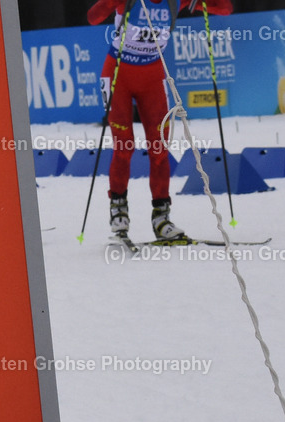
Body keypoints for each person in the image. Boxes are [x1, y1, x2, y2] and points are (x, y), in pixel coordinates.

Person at [87, 0, 232, 242]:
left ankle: (161, 218)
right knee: (124, 147)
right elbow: (93, 16)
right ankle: (118, 212)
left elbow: (225, 8)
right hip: (116, 74)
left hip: (153, 77)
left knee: (159, 148)